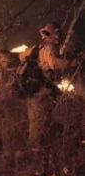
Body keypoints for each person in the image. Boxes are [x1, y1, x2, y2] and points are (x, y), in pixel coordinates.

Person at [21, 23, 70, 152]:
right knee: (40, 124)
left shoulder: (37, 47)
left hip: (32, 91)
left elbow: (21, 56)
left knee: (35, 123)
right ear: (51, 34)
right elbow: (55, 64)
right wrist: (70, 61)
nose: (59, 36)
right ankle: (37, 155)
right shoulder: (49, 48)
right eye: (57, 33)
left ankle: (35, 152)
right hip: (41, 92)